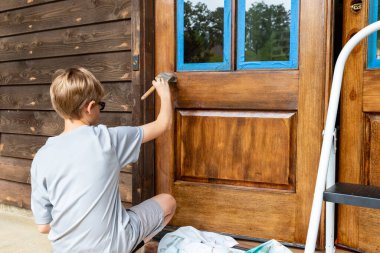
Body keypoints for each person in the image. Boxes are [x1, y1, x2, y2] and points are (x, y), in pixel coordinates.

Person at [30, 67, 176, 252]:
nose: (100, 108)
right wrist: (164, 93)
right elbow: (162, 124)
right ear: (90, 107)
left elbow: (43, 227)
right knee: (167, 201)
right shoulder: (107, 139)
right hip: (112, 246)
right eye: (101, 104)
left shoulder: (42, 156)